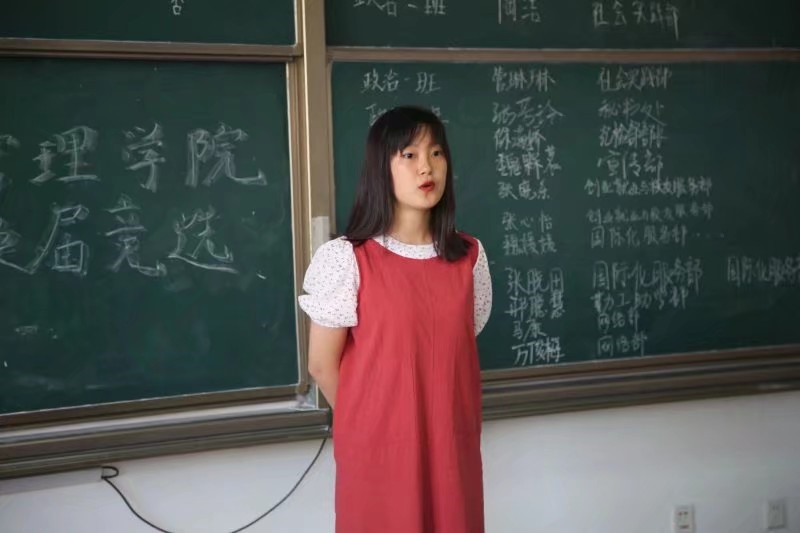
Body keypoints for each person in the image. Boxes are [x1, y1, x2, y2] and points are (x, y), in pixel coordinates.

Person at [298, 106, 492, 533]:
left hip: (452, 445)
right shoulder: (347, 258)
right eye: (409, 155)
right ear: (380, 168)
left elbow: (455, 347)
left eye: (436, 153)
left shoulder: (469, 256)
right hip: (379, 451)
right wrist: (373, 422)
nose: (427, 167)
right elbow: (321, 364)